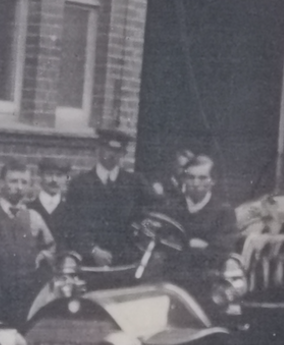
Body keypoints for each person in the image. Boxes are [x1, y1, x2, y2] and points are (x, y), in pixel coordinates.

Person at [0, 160, 56, 325]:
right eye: (13, 181)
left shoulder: (34, 217)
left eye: (24, 182)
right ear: (2, 183)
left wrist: (43, 256)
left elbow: (51, 247)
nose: (19, 187)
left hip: (26, 299)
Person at [66, 127, 153, 266]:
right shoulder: (80, 184)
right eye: (108, 148)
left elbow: (154, 209)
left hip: (126, 261)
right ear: (98, 149)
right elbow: (72, 224)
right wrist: (92, 250)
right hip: (90, 261)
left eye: (118, 151)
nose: (112, 154)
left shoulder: (135, 182)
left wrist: (147, 225)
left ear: (123, 153)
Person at [163, 154, 237, 300]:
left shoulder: (223, 211)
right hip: (172, 283)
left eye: (203, 178)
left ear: (212, 181)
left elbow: (221, 252)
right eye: (191, 177)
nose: (196, 183)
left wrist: (184, 246)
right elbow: (162, 242)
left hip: (207, 285)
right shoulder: (171, 207)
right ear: (184, 179)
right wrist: (197, 245)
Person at [26, 156, 73, 253]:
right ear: (40, 176)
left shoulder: (72, 210)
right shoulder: (28, 209)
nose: (54, 180)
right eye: (49, 174)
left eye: (59, 175)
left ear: (66, 178)